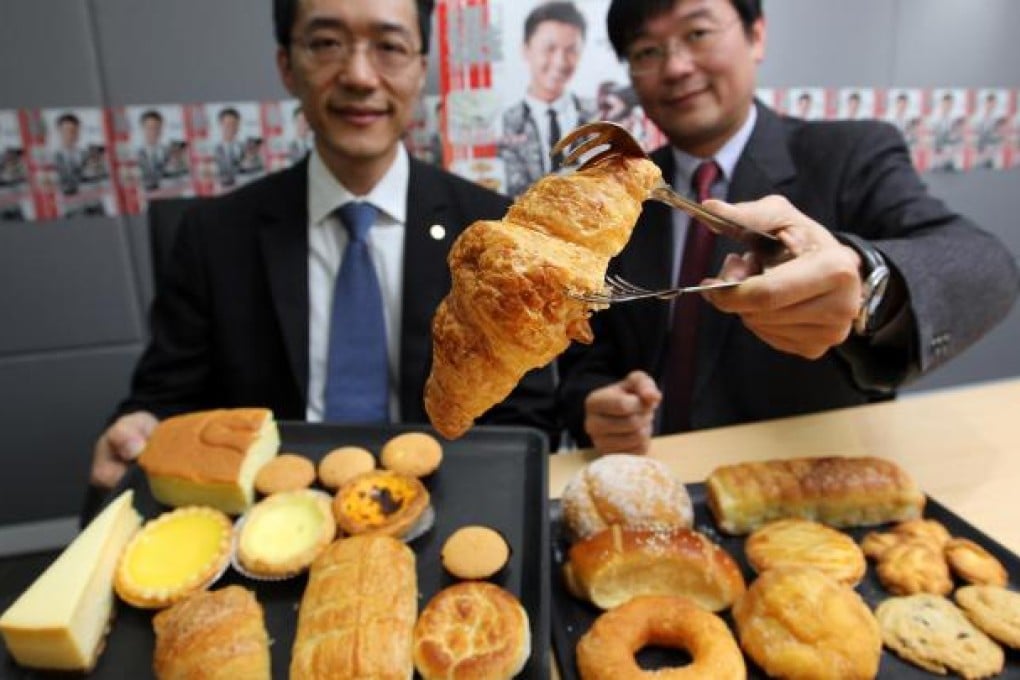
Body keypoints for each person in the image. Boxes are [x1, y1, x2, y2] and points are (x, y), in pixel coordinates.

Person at [89, 0, 557, 497]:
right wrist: (138, 427)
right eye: (327, 43)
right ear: (287, 66)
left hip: (444, 498)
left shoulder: (494, 232)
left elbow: (521, 414)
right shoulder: (214, 235)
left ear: (421, 70)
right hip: (270, 508)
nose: (359, 76)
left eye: (389, 46)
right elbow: (167, 400)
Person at [558, 0, 1019, 455]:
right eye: (646, 51)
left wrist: (866, 282)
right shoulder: (619, 194)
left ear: (756, 35)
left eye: (697, 34)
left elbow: (984, 263)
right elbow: (588, 354)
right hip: (646, 474)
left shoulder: (849, 156)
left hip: (797, 478)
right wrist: (595, 405)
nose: (676, 67)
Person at [498, 0, 596, 197]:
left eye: (571, 50)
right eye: (549, 48)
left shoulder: (598, 114)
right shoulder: (504, 123)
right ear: (526, 50)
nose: (560, 62)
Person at [137, 110, 170, 190]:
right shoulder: (134, 155)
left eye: (157, 128)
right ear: (142, 128)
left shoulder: (169, 152)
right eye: (150, 128)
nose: (154, 132)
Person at [53, 113, 84, 195]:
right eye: (66, 131)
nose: (70, 134)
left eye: (74, 131)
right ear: (59, 132)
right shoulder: (53, 158)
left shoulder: (85, 155)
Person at [213, 107, 244, 186]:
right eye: (227, 124)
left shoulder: (246, 148)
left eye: (234, 124)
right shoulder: (212, 150)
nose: (231, 128)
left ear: (238, 125)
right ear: (220, 125)